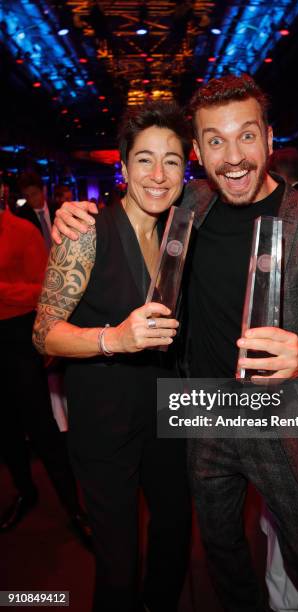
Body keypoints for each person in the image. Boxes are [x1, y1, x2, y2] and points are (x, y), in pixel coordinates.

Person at [51, 75, 298, 612]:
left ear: (268, 137)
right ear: (197, 151)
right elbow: (136, 197)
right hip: (206, 416)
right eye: (215, 141)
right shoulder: (189, 205)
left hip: (285, 419)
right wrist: (73, 214)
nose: (233, 156)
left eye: (245, 136)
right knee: (221, 550)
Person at [33, 102, 192, 612]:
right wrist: (113, 339)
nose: (158, 173)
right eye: (145, 159)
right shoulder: (84, 233)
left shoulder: (180, 233)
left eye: (171, 160)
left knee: (173, 538)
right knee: (119, 566)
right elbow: (43, 334)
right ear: (123, 168)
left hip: (167, 412)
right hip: (104, 419)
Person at [0, 181, 90, 545]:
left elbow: (42, 289)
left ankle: (74, 506)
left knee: (40, 426)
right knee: (4, 428)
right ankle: (25, 491)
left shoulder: (21, 230)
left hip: (18, 337)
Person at [16, 172, 55, 251]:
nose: (30, 199)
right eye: (26, 196)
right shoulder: (22, 216)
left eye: (34, 194)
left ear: (43, 190)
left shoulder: (57, 209)